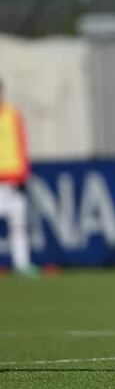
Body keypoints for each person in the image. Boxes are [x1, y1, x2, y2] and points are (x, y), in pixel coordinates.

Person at [0, 79, 34, 277]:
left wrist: (23, 174)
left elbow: (21, 145)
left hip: (12, 179)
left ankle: (22, 265)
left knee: (18, 224)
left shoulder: (13, 115)